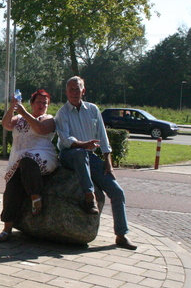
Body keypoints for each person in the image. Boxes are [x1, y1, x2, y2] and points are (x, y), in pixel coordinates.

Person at [55, 76, 137, 250]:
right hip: (69, 154)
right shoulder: (62, 113)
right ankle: (89, 197)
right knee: (79, 154)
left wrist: (108, 160)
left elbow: (102, 134)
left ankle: (121, 235)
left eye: (77, 89)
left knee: (117, 191)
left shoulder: (93, 110)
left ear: (83, 91)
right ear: (66, 92)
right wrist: (84, 144)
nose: (74, 93)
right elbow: (66, 139)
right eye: (71, 89)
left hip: (88, 155)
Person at [0, 89, 57, 242]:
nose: (42, 105)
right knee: (12, 187)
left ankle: (36, 197)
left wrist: (24, 113)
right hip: (19, 160)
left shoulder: (49, 119)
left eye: (45, 103)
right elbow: (6, 124)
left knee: (27, 161)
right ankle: (6, 229)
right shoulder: (19, 118)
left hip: (42, 156)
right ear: (31, 103)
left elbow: (40, 129)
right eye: (39, 102)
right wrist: (13, 107)